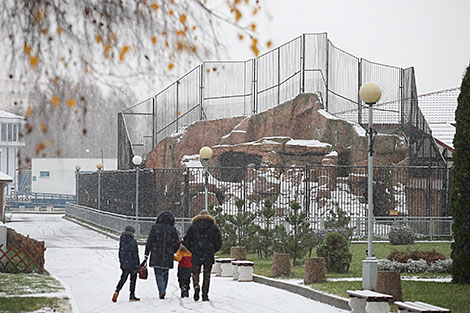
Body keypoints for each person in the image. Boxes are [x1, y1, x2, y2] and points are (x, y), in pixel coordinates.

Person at [183, 209, 222, 302]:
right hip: (208, 253)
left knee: (195, 272)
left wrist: (192, 249)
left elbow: (186, 240)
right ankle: (205, 295)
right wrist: (213, 249)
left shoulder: (193, 227)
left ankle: (196, 285)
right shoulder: (213, 227)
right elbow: (219, 241)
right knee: (207, 274)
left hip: (196, 252)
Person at [144, 211, 180, 299]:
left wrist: (146, 253)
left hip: (156, 253)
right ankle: (164, 289)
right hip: (168, 253)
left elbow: (150, 241)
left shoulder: (155, 228)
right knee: (165, 272)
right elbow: (177, 242)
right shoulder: (172, 229)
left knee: (158, 272)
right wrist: (173, 250)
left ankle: (161, 290)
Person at [112, 225, 140, 302]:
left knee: (123, 278)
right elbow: (135, 254)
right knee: (133, 280)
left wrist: (122, 262)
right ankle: (132, 295)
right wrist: (138, 264)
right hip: (132, 263)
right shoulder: (133, 241)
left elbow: (121, 252)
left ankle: (116, 291)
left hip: (125, 263)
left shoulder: (122, 240)